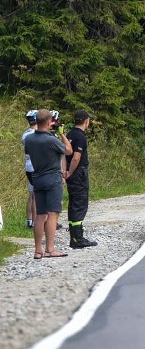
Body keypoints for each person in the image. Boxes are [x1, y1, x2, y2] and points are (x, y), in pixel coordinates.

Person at [25, 109, 72, 259]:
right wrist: (62, 134)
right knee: (53, 214)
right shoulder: (51, 140)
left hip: (37, 178)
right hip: (52, 179)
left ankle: (37, 250)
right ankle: (50, 249)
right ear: (48, 122)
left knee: (40, 215)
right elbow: (68, 151)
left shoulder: (29, 140)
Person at [66, 110, 97, 248]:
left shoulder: (69, 134)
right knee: (80, 203)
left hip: (71, 173)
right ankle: (78, 238)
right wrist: (70, 172)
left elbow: (64, 154)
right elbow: (76, 157)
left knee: (73, 203)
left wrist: (65, 171)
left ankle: (74, 237)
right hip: (78, 173)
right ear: (86, 121)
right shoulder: (80, 136)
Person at [23, 110, 38, 228]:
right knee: (36, 196)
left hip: (28, 166)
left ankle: (29, 220)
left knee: (32, 194)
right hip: (35, 166)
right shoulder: (36, 134)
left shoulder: (26, 134)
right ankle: (36, 222)